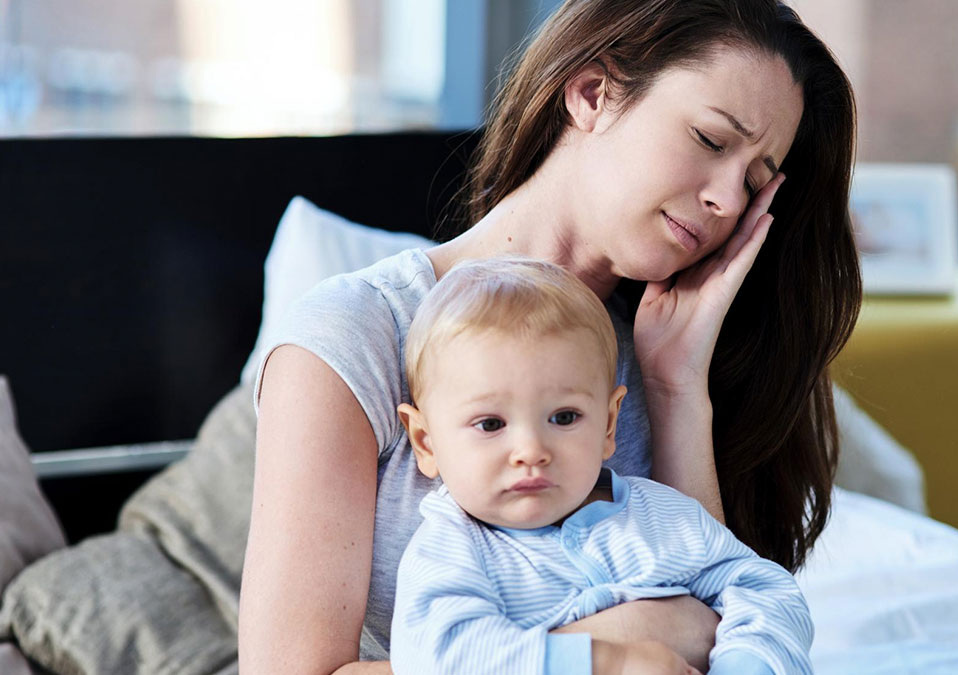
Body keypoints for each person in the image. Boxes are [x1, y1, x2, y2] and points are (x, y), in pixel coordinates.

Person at [239, 0, 860, 672]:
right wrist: (605, 650)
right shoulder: (356, 332)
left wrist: (676, 384)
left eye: (755, 180)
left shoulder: (658, 357)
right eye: (711, 140)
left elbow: (709, 620)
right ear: (592, 93)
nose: (727, 201)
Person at [389, 257, 814, 675]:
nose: (531, 450)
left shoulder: (660, 516)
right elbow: (439, 658)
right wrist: (611, 661)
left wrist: (745, 662)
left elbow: (765, 590)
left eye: (564, 417)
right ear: (426, 442)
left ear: (609, 424)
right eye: (491, 424)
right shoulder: (451, 548)